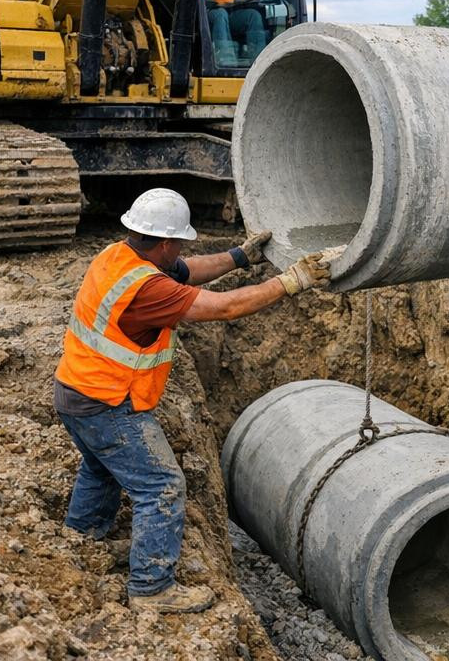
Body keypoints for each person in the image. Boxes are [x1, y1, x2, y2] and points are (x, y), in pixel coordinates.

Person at [53, 187, 328, 614]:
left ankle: (82, 541)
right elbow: (226, 307)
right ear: (165, 243)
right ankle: (151, 589)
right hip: (107, 404)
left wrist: (240, 257)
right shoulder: (148, 290)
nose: (182, 250)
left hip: (75, 391)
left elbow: (187, 271)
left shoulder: (119, 257)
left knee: (101, 467)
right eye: (179, 242)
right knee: (162, 486)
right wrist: (291, 281)